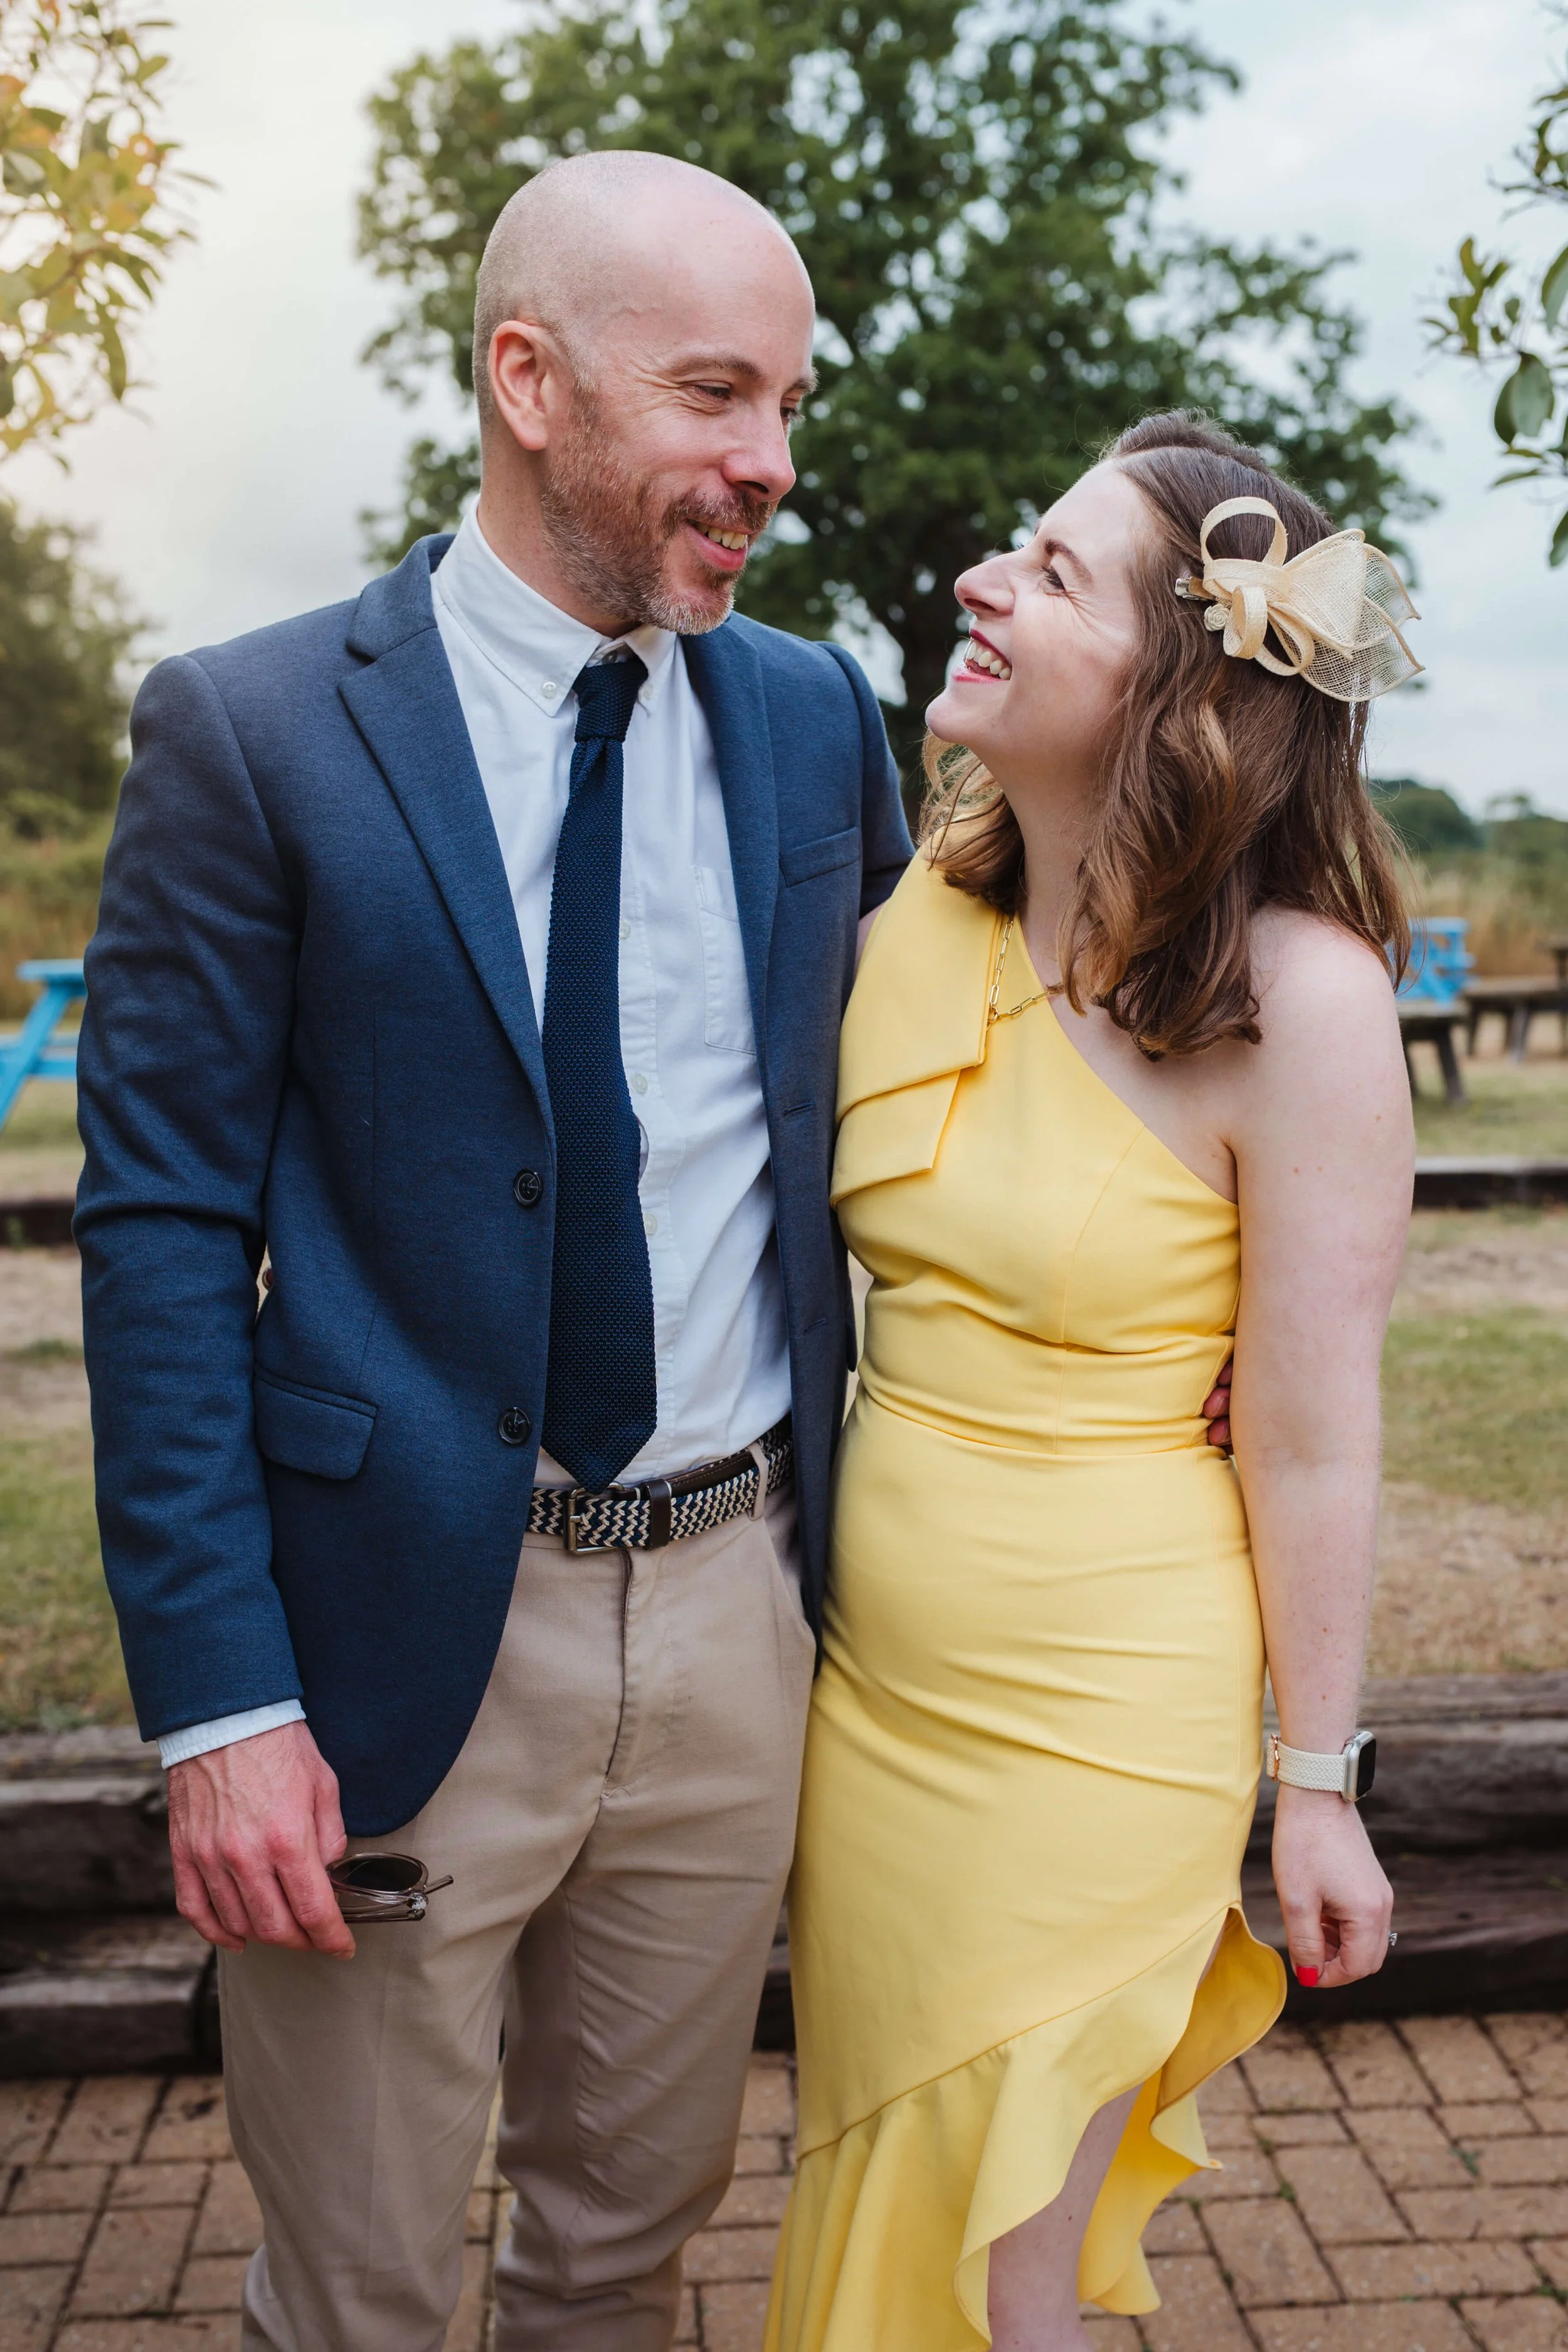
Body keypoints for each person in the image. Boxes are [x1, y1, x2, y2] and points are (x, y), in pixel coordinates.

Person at [74, 150, 915, 2352]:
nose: (773, 464)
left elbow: (941, 1093)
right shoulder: (251, 731)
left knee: (621, 2254)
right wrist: (222, 1704)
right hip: (391, 1648)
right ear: (527, 381)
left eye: (790, 403)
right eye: (718, 396)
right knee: (353, 2287)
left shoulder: (815, 718)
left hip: (743, 1615)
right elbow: (159, 1225)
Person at [765, 413, 1414, 2352]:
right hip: (868, 1704)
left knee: (992, 2265)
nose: (981, 578)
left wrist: (1318, 1789)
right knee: (869, 2169)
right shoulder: (899, 931)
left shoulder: (1301, 1003)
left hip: (1104, 1718)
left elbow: (1307, 1437)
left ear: (1178, 695)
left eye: (1050, 574)